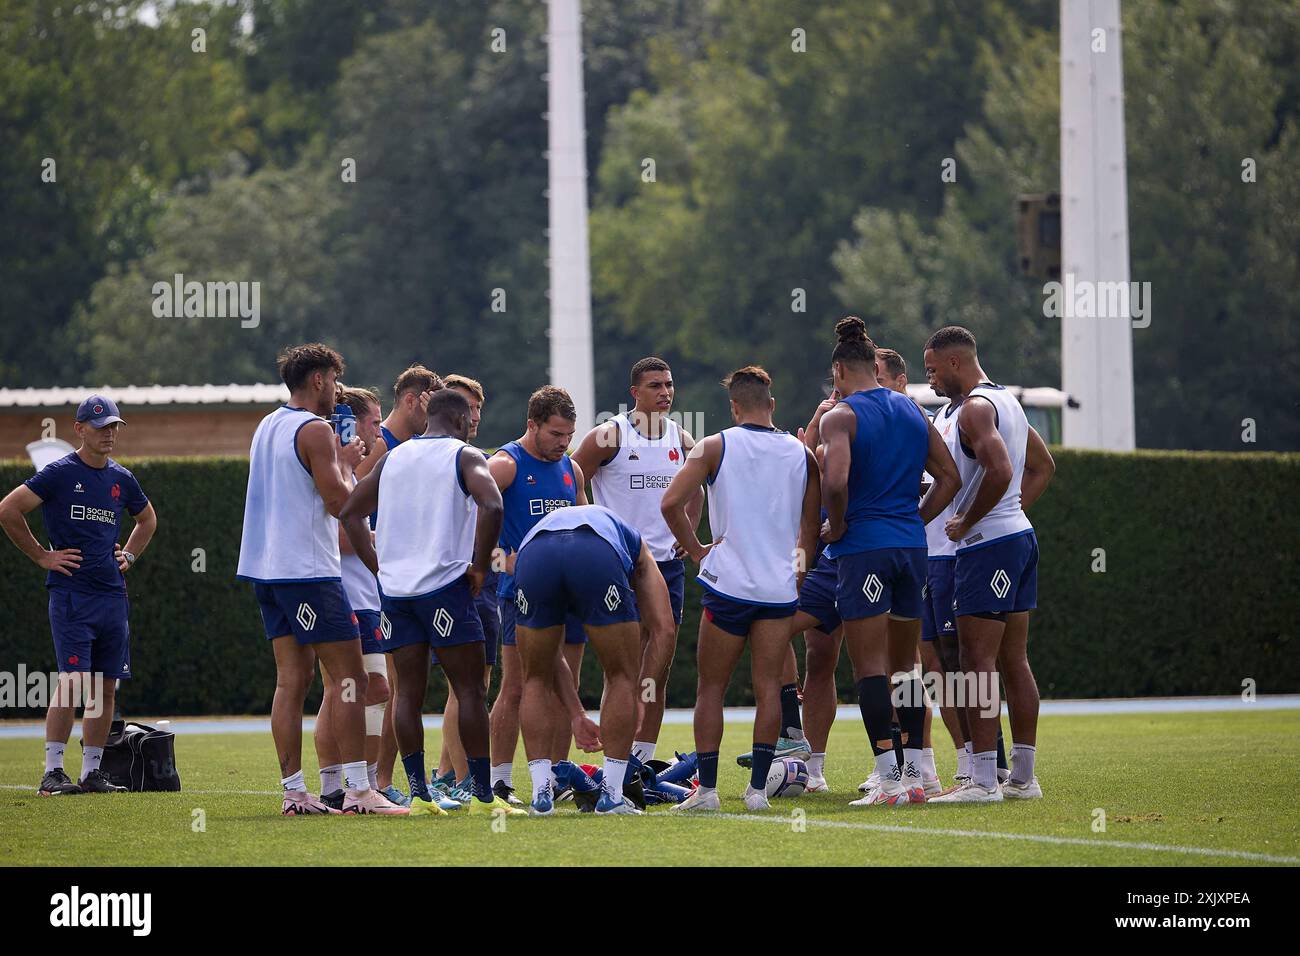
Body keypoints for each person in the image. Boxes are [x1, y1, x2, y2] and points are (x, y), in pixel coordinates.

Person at [236, 343, 405, 815]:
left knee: (291, 681)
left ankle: (295, 793)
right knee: (351, 678)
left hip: (266, 571)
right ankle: (358, 791)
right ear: (318, 380)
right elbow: (340, 505)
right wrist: (356, 468)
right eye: (333, 381)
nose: (336, 391)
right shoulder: (313, 429)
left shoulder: (267, 424)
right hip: (308, 572)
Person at [341, 388, 524, 817]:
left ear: (429, 419)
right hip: (444, 588)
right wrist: (480, 565)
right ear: (459, 422)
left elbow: (350, 512)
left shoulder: (394, 457)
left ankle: (420, 796)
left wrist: (377, 568)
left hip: (397, 593)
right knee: (470, 690)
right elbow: (492, 504)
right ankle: (482, 798)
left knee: (407, 693)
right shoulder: (464, 455)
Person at [662, 366, 822, 812]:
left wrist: (697, 552)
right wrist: (799, 572)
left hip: (728, 586)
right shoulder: (802, 453)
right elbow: (811, 528)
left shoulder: (715, 445)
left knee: (711, 688)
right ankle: (756, 793)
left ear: (734, 406)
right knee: (769, 687)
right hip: (777, 591)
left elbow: (670, 503)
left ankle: (708, 792)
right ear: (772, 404)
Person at [818, 318, 960, 808]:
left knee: (871, 670)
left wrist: (837, 526)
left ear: (839, 370)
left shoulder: (842, 416)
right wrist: (913, 521)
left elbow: (835, 483)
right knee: (907, 668)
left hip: (864, 550)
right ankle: (918, 776)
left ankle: (891, 781)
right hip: (910, 549)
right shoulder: (912, 409)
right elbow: (949, 478)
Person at [0, 395, 157, 796]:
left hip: (112, 597)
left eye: (114, 427)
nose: (108, 434)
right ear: (79, 429)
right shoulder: (58, 473)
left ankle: (92, 773)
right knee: (71, 682)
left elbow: (147, 518)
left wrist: (130, 555)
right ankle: (53, 772)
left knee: (105, 687)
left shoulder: (122, 478)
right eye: (100, 426)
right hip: (71, 595)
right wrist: (42, 556)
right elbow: (8, 510)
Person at [923, 326, 1055, 803]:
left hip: (987, 545)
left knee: (976, 664)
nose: (931, 380)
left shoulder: (976, 408)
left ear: (956, 362)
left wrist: (968, 519)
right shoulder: (1008, 402)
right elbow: (1044, 466)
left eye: (933, 370)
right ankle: (1023, 778)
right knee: (1013, 660)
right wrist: (1010, 514)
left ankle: (982, 782)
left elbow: (1000, 470)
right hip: (1017, 539)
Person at [571, 356, 701, 764]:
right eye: (654, 386)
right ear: (634, 393)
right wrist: (592, 527)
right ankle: (616, 761)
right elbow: (573, 476)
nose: (665, 392)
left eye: (668, 384)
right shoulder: (610, 435)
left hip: (667, 566)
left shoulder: (681, 438)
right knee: (623, 669)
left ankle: (640, 764)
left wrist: (689, 534)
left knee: (656, 672)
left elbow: (698, 488)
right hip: (620, 564)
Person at [514, 503, 675, 815]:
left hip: (532, 551)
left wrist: (576, 714)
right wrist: (643, 695)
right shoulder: (638, 549)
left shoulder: (558, 527)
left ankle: (540, 795)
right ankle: (611, 796)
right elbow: (664, 630)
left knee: (534, 677)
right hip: (594, 549)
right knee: (621, 677)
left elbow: (551, 658)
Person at [487, 386, 587, 805]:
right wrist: (498, 562)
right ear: (533, 425)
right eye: (556, 434)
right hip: (521, 594)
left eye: (569, 435)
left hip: (571, 592)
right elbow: (466, 523)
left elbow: (586, 522)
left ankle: (558, 779)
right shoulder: (505, 465)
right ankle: (498, 781)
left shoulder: (571, 469)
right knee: (518, 686)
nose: (564, 444)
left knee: (570, 685)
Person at [355, 364, 441, 805]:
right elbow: (350, 509)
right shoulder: (383, 446)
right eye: (430, 405)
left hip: (391, 582)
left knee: (393, 689)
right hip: (374, 584)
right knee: (387, 688)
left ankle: (379, 779)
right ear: (413, 400)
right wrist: (377, 564)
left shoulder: (407, 447)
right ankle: (376, 781)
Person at [430, 374, 500, 802]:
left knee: (472, 685)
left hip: (478, 581)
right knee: (468, 686)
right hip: (459, 580)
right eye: (468, 408)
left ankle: (442, 774)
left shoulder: (475, 458)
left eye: (479, 408)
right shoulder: (457, 459)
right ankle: (460, 780)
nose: (474, 416)